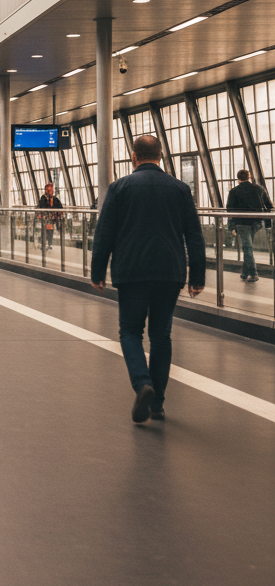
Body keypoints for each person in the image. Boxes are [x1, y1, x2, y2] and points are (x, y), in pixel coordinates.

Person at [91, 135, 206, 423]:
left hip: (132, 271)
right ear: (160, 155)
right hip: (170, 272)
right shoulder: (180, 189)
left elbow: (104, 233)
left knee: (130, 331)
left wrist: (97, 272)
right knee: (161, 335)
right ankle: (158, 404)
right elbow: (193, 234)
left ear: (133, 156)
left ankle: (143, 384)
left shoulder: (119, 188)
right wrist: (198, 275)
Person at [226, 169, 272, 283]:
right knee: (248, 247)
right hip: (257, 222)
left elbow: (229, 209)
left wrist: (231, 225)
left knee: (247, 248)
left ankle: (254, 273)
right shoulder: (259, 189)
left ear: (238, 179)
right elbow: (269, 205)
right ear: (249, 177)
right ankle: (245, 272)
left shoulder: (234, 191)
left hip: (242, 223)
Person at [37, 182, 64, 250]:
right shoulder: (43, 198)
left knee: (50, 229)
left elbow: (61, 207)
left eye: (51, 190)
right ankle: (45, 243)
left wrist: (57, 214)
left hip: (51, 218)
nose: (51, 192)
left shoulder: (55, 199)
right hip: (46, 218)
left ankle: (48, 243)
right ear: (46, 190)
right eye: (49, 191)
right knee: (46, 229)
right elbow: (41, 207)